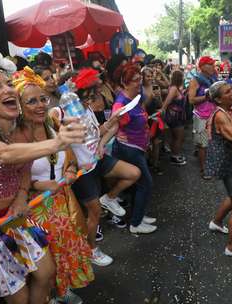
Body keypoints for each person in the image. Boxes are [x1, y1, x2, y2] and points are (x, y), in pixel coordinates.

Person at [0, 48, 85, 303]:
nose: (8, 90)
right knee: (17, 297)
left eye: (9, 84)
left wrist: (21, 196)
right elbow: (5, 154)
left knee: (46, 273)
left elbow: (24, 165)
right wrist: (57, 143)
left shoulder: (19, 131)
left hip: (12, 218)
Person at [13, 67, 94, 303]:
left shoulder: (52, 123)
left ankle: (62, 290)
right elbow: (11, 179)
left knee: (64, 250)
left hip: (62, 203)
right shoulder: (15, 137)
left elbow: (69, 152)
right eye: (31, 101)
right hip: (33, 209)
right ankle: (47, 295)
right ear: (18, 106)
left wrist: (69, 170)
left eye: (42, 99)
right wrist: (38, 185)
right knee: (43, 262)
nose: (40, 105)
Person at [51, 68, 140, 266]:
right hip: (83, 171)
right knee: (94, 213)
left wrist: (106, 130)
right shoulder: (62, 110)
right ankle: (92, 249)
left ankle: (109, 198)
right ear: (76, 94)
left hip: (98, 159)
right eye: (88, 96)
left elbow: (95, 133)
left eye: (93, 96)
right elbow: (52, 122)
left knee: (133, 173)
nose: (91, 100)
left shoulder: (88, 108)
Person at [205, 81, 232, 258]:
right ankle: (231, 247)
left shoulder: (226, 110)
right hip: (227, 161)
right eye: (227, 92)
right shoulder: (221, 116)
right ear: (218, 99)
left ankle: (216, 222)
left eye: (231, 90)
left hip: (227, 159)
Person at [112, 63, 157, 234]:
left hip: (138, 146)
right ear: (124, 83)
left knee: (141, 185)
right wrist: (119, 131)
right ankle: (136, 224)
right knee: (146, 184)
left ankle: (139, 215)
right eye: (135, 80)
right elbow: (114, 125)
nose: (139, 82)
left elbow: (148, 98)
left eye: (139, 78)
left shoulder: (135, 97)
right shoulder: (120, 103)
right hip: (129, 149)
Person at [188, 56, 217, 179]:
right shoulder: (196, 80)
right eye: (211, 64)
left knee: (212, 143)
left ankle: (211, 165)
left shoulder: (213, 78)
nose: (213, 67)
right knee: (203, 145)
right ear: (203, 66)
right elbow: (191, 100)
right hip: (202, 116)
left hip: (214, 115)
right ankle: (204, 169)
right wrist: (207, 97)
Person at [161, 70, 187, 165]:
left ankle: (175, 154)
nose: (184, 78)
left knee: (175, 137)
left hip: (176, 116)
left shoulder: (175, 87)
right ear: (179, 78)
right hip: (175, 117)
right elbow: (167, 101)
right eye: (182, 76)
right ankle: (175, 157)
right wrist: (162, 110)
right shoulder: (174, 89)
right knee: (178, 137)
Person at [142, 66, 164, 175]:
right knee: (146, 144)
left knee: (156, 142)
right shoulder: (139, 89)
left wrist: (159, 97)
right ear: (142, 77)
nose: (150, 78)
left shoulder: (155, 86)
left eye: (151, 76)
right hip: (145, 119)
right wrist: (150, 97)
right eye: (147, 76)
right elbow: (142, 107)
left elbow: (160, 105)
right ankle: (146, 164)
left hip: (155, 118)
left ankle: (155, 164)